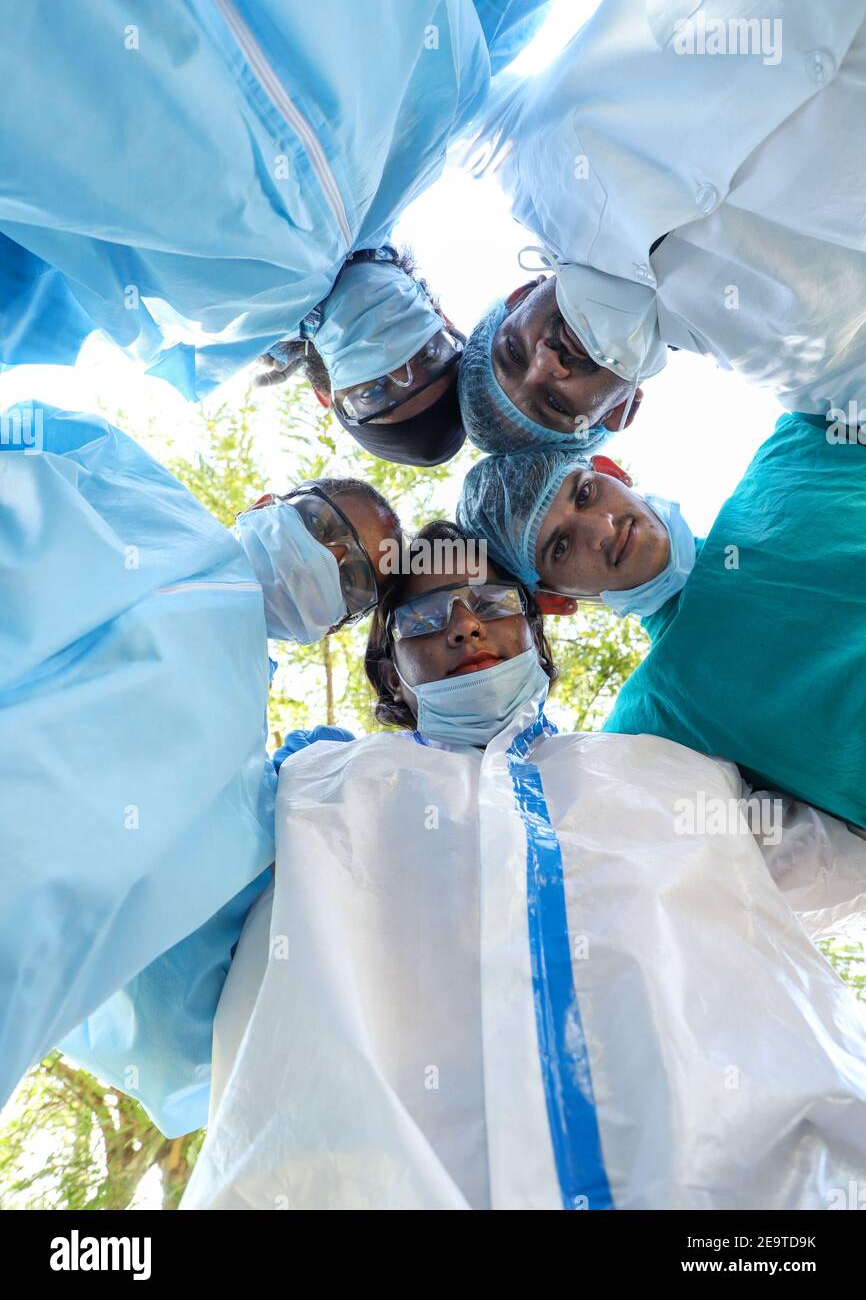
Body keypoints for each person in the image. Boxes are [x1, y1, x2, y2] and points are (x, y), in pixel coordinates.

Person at [170, 522, 866, 1209]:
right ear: (390, 672)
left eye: (494, 603)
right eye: (424, 618)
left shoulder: (671, 770)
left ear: (537, 634)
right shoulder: (308, 786)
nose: (467, 627)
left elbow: (840, 859)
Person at [0, 0, 640, 465]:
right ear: (446, 320)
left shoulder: (185, 327)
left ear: (326, 393)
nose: (399, 362)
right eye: (431, 360)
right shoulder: (431, 125)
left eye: (380, 392)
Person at [0, 401, 400, 1126]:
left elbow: (173, 1034)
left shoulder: (246, 793)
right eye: (327, 530)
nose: (331, 563)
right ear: (267, 504)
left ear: (330, 630)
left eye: (354, 587)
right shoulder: (128, 484)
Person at [457, 0, 866, 455]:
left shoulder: (518, 154)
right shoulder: (801, 371)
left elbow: (407, 88)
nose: (547, 363)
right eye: (556, 404)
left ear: (518, 297)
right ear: (622, 411)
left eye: (514, 351)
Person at [456, 410, 866, 829]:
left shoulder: (798, 450)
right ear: (553, 601)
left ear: (611, 470)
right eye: (560, 547)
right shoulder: (651, 727)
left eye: (585, 494)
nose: (602, 529)